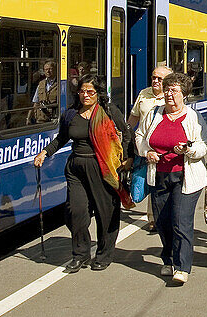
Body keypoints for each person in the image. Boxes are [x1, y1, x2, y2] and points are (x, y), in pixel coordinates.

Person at [33, 76, 127, 272]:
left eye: (90, 92)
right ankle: (81, 255)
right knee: (75, 213)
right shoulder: (71, 114)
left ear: (98, 93)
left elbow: (127, 134)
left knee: (106, 213)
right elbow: (61, 138)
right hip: (76, 167)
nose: (85, 95)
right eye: (82, 91)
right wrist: (45, 152)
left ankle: (104, 254)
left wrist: (128, 159)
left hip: (103, 167)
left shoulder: (109, 112)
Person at [134, 72, 207, 284]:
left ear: (183, 94)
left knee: (180, 221)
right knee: (162, 221)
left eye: (174, 91)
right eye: (167, 90)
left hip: (186, 176)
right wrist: (146, 151)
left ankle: (182, 267)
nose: (169, 94)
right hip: (158, 174)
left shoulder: (193, 117)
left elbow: (203, 146)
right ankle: (168, 259)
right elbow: (140, 136)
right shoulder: (154, 114)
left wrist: (188, 149)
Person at [128, 65, 171, 231]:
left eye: (160, 79)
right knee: (146, 183)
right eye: (154, 77)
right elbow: (134, 117)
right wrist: (125, 133)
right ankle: (154, 216)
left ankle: (157, 217)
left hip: (163, 147)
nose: (155, 81)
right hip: (144, 145)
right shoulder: (144, 94)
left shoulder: (170, 95)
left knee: (160, 182)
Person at [28, 60, 61, 124]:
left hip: (54, 121)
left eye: (50, 69)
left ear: (55, 70)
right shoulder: (41, 84)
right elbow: (35, 102)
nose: (48, 71)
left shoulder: (60, 84)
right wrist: (28, 118)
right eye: (46, 69)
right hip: (40, 120)